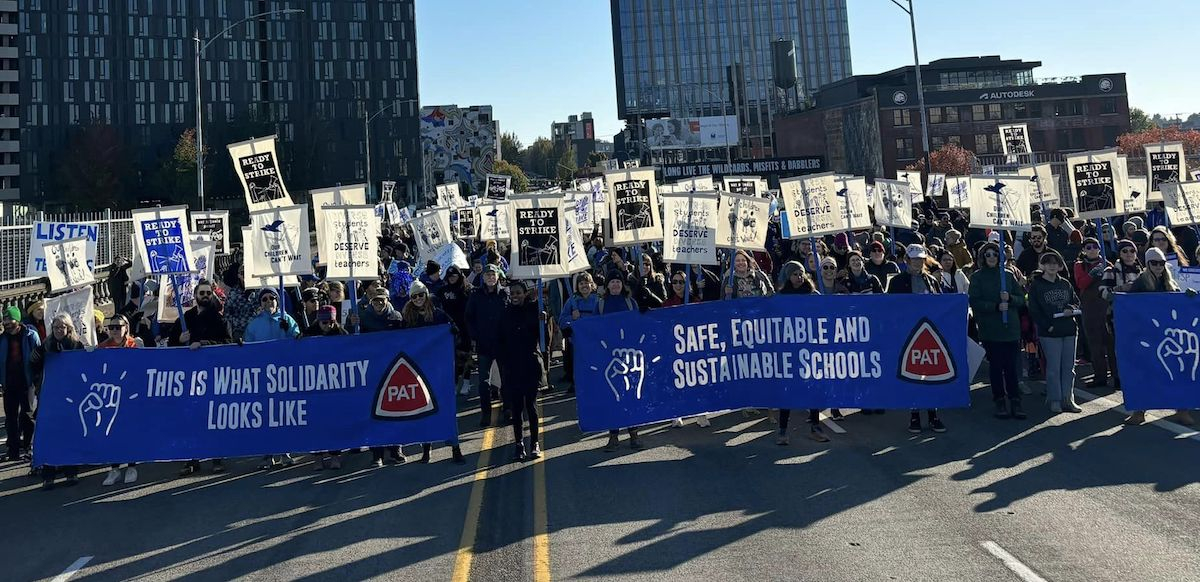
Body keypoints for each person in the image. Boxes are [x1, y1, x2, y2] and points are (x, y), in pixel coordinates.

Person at [1124, 247, 1196, 426]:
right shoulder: (1141, 282)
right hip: (1147, 336)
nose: (1158, 266)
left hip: (1169, 336)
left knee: (1178, 372)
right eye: (1154, 263)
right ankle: (1139, 411)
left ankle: (1182, 410)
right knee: (1146, 372)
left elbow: (1179, 302)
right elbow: (1130, 305)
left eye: (1161, 263)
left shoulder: (1170, 282)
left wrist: (1188, 296)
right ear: (1147, 264)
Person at [171, 280, 233, 476]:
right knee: (190, 419)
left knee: (213, 418)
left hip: (212, 376)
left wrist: (206, 343)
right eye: (202, 293)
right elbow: (171, 346)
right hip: (189, 377)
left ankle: (216, 458)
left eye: (208, 292)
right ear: (196, 295)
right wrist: (178, 341)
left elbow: (227, 342)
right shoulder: (185, 318)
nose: (205, 295)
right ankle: (191, 459)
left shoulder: (219, 318)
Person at [889, 245, 948, 432]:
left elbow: (941, 304)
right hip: (908, 334)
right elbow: (890, 308)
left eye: (921, 259)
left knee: (931, 374)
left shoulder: (931, 280)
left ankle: (933, 414)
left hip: (929, 333)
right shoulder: (897, 282)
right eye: (914, 259)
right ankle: (914, 415)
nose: (917, 262)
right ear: (907, 260)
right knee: (912, 375)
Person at [773, 261, 831, 444]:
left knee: (813, 388)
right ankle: (782, 430)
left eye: (801, 273)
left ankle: (815, 426)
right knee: (787, 391)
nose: (799, 277)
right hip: (789, 351)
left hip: (810, 349)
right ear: (788, 276)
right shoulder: (781, 297)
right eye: (795, 274)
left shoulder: (813, 294)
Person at [969, 241, 1028, 421]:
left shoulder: (1008, 275)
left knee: (1011, 367)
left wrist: (1009, 298)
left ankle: (1015, 400)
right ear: (982, 257)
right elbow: (974, 301)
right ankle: (999, 400)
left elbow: (1021, 299)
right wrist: (994, 306)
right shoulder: (977, 277)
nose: (992, 257)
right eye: (988, 254)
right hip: (990, 329)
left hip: (1010, 328)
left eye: (995, 254)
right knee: (996, 367)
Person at [30, 314, 85, 489]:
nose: (59, 330)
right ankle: (48, 475)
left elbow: (84, 368)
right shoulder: (45, 346)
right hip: (49, 396)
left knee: (69, 435)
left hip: (70, 397)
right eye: (56, 327)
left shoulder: (76, 345)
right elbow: (33, 365)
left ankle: (71, 472)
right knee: (49, 435)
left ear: (69, 328)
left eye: (62, 327)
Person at [1027, 251, 1082, 414]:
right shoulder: (1037, 285)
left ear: (1060, 266)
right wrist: (1047, 325)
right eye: (1048, 262)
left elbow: (1075, 301)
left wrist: (1070, 309)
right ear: (1042, 265)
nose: (1052, 265)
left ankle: (1068, 399)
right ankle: (1055, 400)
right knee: (1053, 368)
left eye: (1055, 262)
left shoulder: (1065, 283)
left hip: (1069, 329)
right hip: (1050, 332)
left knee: (1069, 367)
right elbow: (1034, 310)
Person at [497, 281, 544, 461]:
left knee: (531, 406)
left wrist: (543, 321)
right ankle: (519, 444)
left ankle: (534, 442)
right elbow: (499, 339)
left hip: (530, 365)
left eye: (519, 293)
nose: (515, 296)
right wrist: (503, 361)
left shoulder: (534, 310)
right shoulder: (505, 314)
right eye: (513, 293)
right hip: (511, 367)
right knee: (516, 409)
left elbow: (543, 339)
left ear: (525, 294)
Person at [598, 271, 643, 451]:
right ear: (607, 285)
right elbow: (594, 328)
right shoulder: (601, 304)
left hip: (629, 355)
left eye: (618, 281)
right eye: (612, 282)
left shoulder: (630, 303)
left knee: (630, 396)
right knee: (612, 397)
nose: (615, 284)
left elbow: (639, 325)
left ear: (623, 284)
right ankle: (613, 436)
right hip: (610, 356)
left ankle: (634, 435)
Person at [97, 314, 142, 485]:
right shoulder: (103, 347)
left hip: (130, 394)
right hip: (111, 395)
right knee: (111, 430)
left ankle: (132, 466)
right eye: (111, 327)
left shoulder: (134, 344)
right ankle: (114, 468)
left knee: (129, 430)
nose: (115, 330)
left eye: (118, 326)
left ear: (126, 328)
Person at [466, 264, 509, 426]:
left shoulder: (505, 294)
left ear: (497, 276)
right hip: (484, 344)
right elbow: (469, 317)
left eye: (493, 274)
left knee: (506, 380)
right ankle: (486, 412)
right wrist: (475, 336)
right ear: (482, 277)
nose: (490, 277)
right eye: (487, 275)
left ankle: (507, 409)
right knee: (483, 383)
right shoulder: (476, 295)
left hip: (502, 344)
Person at [1099, 240, 1143, 391]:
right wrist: (1121, 289)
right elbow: (1103, 292)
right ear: (1119, 253)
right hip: (1117, 317)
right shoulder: (1111, 271)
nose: (1129, 254)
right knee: (1122, 350)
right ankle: (1121, 379)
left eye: (1132, 251)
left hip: (1138, 317)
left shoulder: (1141, 271)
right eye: (1125, 251)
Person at [1, 306, 40, 462]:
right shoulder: (2, 339)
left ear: (17, 320)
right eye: (4, 320)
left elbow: (38, 355)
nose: (7, 323)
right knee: (10, 418)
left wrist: (37, 378)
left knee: (28, 415)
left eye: (10, 319)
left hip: (27, 381)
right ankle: (13, 449)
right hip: (9, 383)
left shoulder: (30, 335)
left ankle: (28, 446)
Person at [1073, 237, 1113, 388]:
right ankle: (1100, 377)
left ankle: (1116, 376)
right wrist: (1092, 274)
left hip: (1106, 307)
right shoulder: (1079, 265)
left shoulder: (1107, 264)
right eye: (1088, 247)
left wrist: (1105, 269)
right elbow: (1080, 283)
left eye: (1095, 246)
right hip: (1089, 308)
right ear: (1083, 250)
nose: (1092, 249)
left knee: (1111, 343)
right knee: (1095, 345)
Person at [434, 266, 473, 394]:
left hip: (465, 327)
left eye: (454, 276)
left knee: (466, 357)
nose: (452, 279)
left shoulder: (468, 290)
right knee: (453, 357)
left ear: (459, 276)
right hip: (449, 328)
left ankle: (466, 382)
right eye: (450, 276)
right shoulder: (442, 290)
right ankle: (455, 382)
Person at [559, 272, 599, 393]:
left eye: (587, 283)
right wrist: (572, 317)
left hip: (594, 340)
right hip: (577, 341)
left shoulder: (599, 300)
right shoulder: (571, 302)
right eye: (581, 283)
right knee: (579, 366)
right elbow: (561, 321)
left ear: (592, 285)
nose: (584, 286)